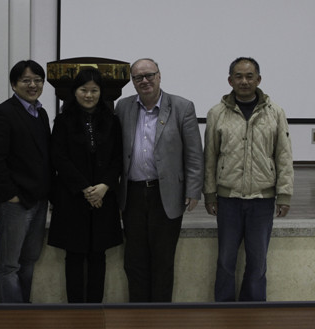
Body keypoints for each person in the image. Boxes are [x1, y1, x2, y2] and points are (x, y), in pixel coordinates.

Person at [204, 57, 293, 302]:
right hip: (228, 200)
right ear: (230, 80)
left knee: (257, 262)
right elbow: (210, 156)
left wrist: (284, 194)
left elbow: (284, 155)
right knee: (225, 261)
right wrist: (209, 194)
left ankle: (253, 311)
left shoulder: (275, 113)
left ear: (258, 79)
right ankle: (224, 310)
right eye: (239, 76)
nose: (244, 81)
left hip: (262, 200)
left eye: (249, 76)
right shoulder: (216, 113)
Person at [115, 58, 204, 302]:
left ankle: (161, 313)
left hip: (166, 193)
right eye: (138, 77)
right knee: (134, 259)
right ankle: (138, 311)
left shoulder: (182, 107)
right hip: (132, 194)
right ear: (132, 81)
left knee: (163, 260)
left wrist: (193, 190)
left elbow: (194, 153)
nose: (144, 81)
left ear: (159, 75)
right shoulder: (123, 107)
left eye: (149, 75)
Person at [48, 67, 123, 303]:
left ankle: (95, 309)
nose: (89, 95)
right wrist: (85, 188)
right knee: (74, 255)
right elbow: (59, 158)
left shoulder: (112, 121)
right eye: (83, 90)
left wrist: (104, 186)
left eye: (94, 90)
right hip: (72, 197)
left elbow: (118, 158)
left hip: (104, 197)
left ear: (101, 92)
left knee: (98, 254)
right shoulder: (63, 121)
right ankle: (75, 311)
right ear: (75, 92)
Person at [0, 60, 53, 303]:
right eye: (26, 80)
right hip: (15, 202)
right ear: (14, 85)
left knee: (29, 259)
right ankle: (11, 316)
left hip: (38, 199)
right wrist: (9, 195)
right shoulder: (3, 113)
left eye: (37, 80)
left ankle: (24, 311)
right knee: (9, 265)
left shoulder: (40, 113)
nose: (33, 85)